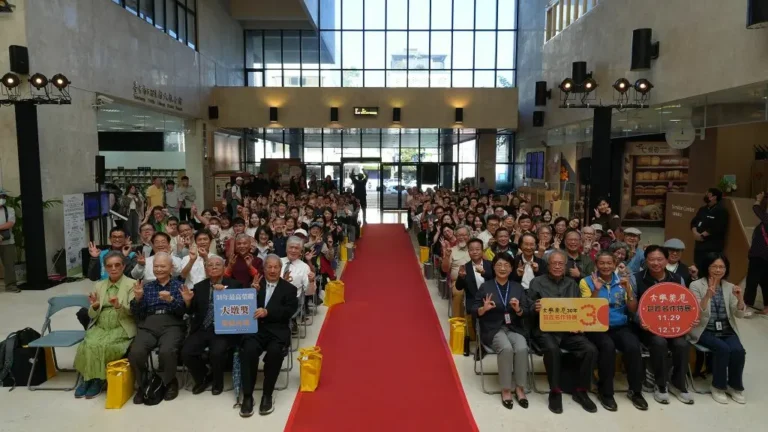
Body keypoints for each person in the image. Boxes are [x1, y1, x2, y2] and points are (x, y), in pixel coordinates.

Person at [528, 250, 598, 414]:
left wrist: (579, 324)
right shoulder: (536, 282)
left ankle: (581, 390)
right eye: (554, 263)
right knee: (552, 350)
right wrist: (534, 307)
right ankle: (555, 391)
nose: (558, 266)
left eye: (561, 263)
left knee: (590, 349)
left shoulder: (572, 284)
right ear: (548, 265)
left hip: (568, 330)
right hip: (545, 330)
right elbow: (528, 306)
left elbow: (579, 309)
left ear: (566, 266)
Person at [580, 252, 648, 411]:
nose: (605, 266)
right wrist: (596, 290)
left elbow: (633, 309)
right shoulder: (586, 281)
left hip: (620, 326)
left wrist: (628, 290)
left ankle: (636, 391)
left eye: (609, 263)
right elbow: (586, 310)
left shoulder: (623, 281)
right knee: (607, 347)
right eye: (602, 263)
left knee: (633, 346)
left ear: (615, 264)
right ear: (596, 264)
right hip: (596, 327)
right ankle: (606, 392)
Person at [634, 245, 695, 405]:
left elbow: (684, 304)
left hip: (673, 327)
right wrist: (640, 321)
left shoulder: (678, 279)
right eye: (652, 259)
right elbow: (633, 309)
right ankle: (660, 385)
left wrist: (690, 319)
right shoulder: (636, 278)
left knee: (682, 344)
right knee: (659, 342)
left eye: (660, 259)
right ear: (646, 261)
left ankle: (678, 384)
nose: (656, 263)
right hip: (647, 329)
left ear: (667, 260)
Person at [240, 254, 299, 417]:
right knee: (248, 350)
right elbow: (243, 308)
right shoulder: (254, 284)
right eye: (269, 267)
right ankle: (247, 396)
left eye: (276, 267)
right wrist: (252, 293)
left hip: (277, 331)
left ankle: (267, 394)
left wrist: (268, 312)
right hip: (256, 330)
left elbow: (289, 311)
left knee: (275, 353)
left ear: (280, 269)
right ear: (263, 269)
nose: (272, 270)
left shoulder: (289, 289)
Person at [73, 251, 136, 399]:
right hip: (101, 326)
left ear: (123, 266)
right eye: (109, 266)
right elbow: (92, 315)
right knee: (88, 344)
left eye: (117, 265)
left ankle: (99, 379)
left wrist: (118, 306)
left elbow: (133, 312)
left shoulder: (132, 285)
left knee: (105, 345)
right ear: (105, 268)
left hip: (121, 326)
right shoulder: (99, 285)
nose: (113, 268)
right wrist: (94, 306)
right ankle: (88, 378)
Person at [128, 253, 187, 405]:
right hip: (149, 323)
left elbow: (182, 312)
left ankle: (168, 381)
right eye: (156, 266)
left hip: (172, 323)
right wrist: (138, 299)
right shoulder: (146, 287)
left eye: (163, 266)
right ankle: (143, 384)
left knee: (167, 351)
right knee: (136, 352)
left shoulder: (179, 286)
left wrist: (171, 300)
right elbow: (137, 314)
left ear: (171, 268)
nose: (159, 269)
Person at [688, 253, 747, 404]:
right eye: (714, 266)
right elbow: (696, 312)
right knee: (723, 349)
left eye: (721, 267)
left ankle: (734, 386)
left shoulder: (729, 287)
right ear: (707, 267)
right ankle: (718, 386)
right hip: (704, 330)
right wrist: (707, 296)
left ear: (726, 269)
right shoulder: (696, 285)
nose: (718, 270)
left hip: (726, 329)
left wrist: (740, 298)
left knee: (738, 351)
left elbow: (739, 314)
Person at [473, 253, 529, 408]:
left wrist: (518, 309)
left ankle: (520, 388)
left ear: (511, 269)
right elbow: (473, 309)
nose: (502, 268)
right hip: (492, 328)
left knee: (522, 347)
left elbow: (526, 311)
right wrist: (483, 309)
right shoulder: (486, 286)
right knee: (506, 348)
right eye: (499, 265)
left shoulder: (517, 287)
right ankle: (506, 389)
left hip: (514, 327)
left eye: (506, 265)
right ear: (493, 267)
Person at [182, 255, 241, 395]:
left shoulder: (234, 285)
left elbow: (240, 309)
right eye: (210, 265)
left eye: (217, 264)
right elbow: (191, 311)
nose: (214, 267)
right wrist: (188, 301)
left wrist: (225, 294)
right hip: (203, 328)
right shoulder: (199, 286)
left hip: (223, 328)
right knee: (186, 352)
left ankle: (217, 382)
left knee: (217, 352)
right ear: (206, 269)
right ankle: (203, 377)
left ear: (224, 268)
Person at [455, 238, 494, 339]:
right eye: (472, 250)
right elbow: (458, 287)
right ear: (468, 252)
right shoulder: (465, 267)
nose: (475, 252)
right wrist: (461, 277)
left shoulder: (491, 264)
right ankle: (480, 339)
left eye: (477, 249)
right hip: (474, 301)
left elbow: (495, 280)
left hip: (492, 298)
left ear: (482, 250)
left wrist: (484, 273)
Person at [690, 187, 728, 269]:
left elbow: (718, 227)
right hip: (699, 246)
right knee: (697, 267)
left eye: (708, 194)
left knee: (708, 269)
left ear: (714, 197)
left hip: (712, 248)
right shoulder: (702, 209)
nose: (706, 195)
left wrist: (702, 236)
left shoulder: (721, 211)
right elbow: (694, 222)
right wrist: (695, 232)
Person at [745, 191, 768, 314]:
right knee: (765, 281)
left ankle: (747, 305)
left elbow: (756, 209)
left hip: (759, 255)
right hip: (763, 256)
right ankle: (767, 307)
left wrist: (758, 200)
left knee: (752, 280)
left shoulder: (766, 219)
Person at [0, 188, 18, 293]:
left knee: (9, 265)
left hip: (8, 242)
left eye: (3, 197)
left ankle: (11, 286)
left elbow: (10, 223)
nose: (1, 199)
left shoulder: (9, 210)